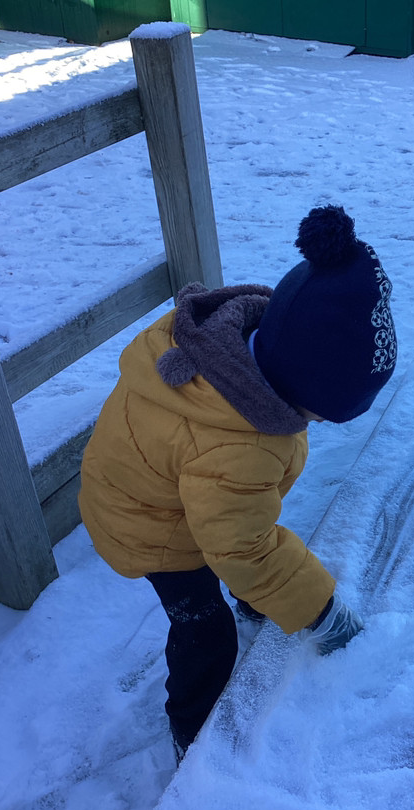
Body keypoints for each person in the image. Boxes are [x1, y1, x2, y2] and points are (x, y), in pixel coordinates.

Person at [78, 206, 397, 760]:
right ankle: (195, 733)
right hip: (147, 526)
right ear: (300, 383)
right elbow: (243, 546)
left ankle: (256, 599)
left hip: (156, 485)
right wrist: (322, 612)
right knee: (205, 630)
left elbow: (236, 527)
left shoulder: (239, 353)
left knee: (236, 531)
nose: (322, 423)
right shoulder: (235, 446)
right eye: (325, 412)